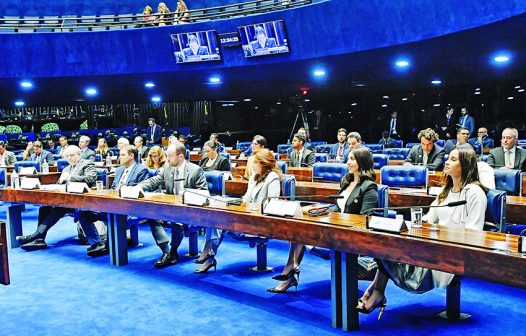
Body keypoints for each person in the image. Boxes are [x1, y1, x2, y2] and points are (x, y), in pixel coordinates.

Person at [356, 145, 487, 318]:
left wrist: (436, 236)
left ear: (466, 165)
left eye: (453, 159)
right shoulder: (445, 191)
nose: (447, 162)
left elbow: (473, 233)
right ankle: (376, 291)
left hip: (452, 253)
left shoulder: (475, 193)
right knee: (387, 247)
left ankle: (376, 292)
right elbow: (428, 219)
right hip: (432, 247)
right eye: (448, 158)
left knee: (390, 253)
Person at [269, 147, 378, 293]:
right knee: (300, 226)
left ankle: (290, 272)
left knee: (302, 232)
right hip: (335, 226)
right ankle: (290, 270)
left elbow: (365, 219)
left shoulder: (369, 187)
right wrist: (317, 210)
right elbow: (338, 207)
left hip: (349, 234)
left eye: (352, 159)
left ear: (362, 162)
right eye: (348, 159)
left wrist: (338, 219)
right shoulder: (346, 181)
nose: (348, 162)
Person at [139, 143, 208, 268]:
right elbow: (154, 181)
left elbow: (204, 193)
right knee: (152, 217)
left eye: (170, 156)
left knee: (177, 221)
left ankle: (173, 251)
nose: (167, 158)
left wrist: (186, 197)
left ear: (181, 156)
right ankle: (168, 252)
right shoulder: (168, 169)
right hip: (172, 209)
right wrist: (137, 187)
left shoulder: (195, 170)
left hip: (190, 211)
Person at [16, 146, 97, 251]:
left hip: (83, 201)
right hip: (67, 200)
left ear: (79, 155)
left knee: (59, 209)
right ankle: (40, 240)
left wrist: (70, 177)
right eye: (67, 156)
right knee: (44, 208)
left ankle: (35, 236)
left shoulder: (87, 164)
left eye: (72, 155)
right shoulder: (67, 168)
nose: (69, 158)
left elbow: (90, 179)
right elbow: (60, 184)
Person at [77, 145, 149, 256]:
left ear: (131, 155)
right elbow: (113, 188)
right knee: (83, 214)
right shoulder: (120, 169)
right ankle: (97, 243)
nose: (120, 157)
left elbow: (140, 192)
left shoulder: (141, 170)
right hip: (111, 205)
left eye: (122, 155)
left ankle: (108, 245)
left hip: (130, 208)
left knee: (113, 216)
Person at [193, 140, 232, 273]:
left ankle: (208, 253)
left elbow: (226, 179)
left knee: (213, 222)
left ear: (215, 149)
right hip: (204, 196)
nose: (205, 153)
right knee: (211, 223)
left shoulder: (223, 161)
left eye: (208, 150)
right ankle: (209, 255)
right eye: (205, 150)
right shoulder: (203, 161)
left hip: (218, 197)